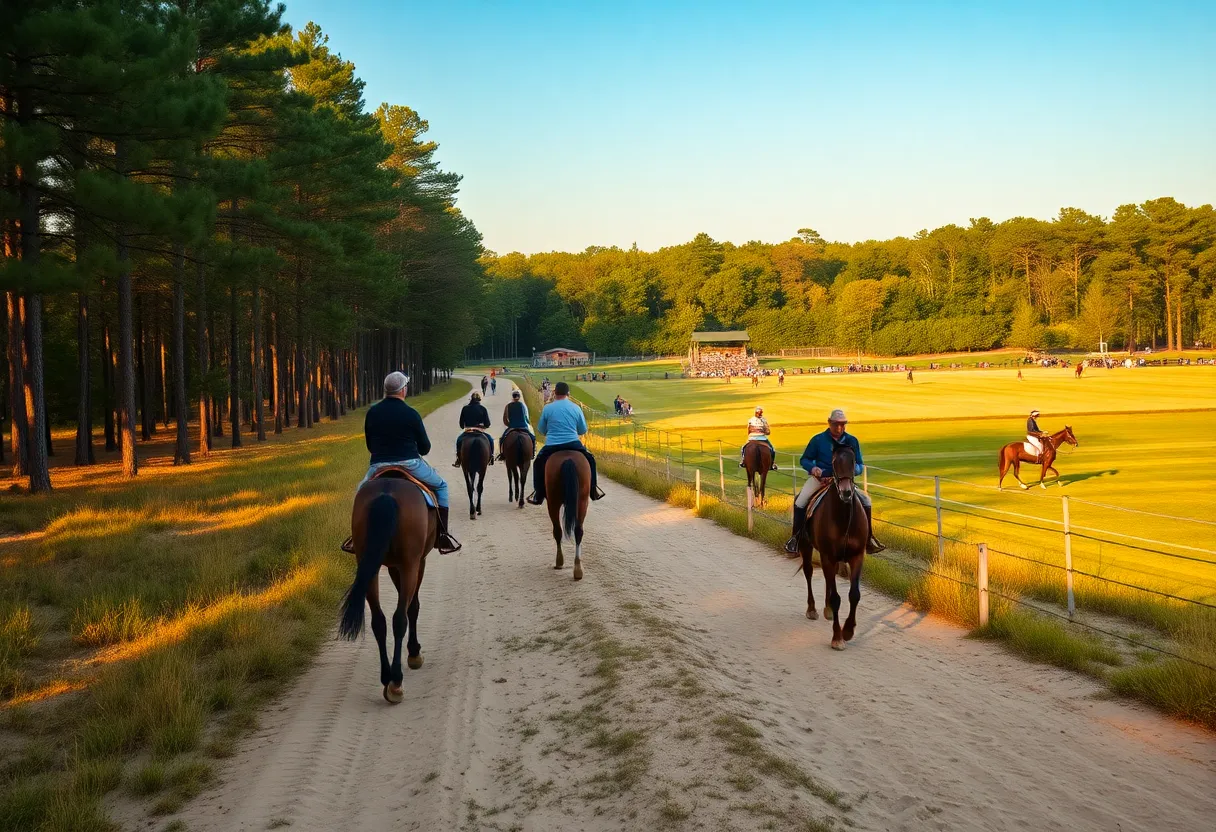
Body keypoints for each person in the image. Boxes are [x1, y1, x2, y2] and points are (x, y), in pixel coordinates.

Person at [346, 371, 460, 554]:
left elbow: (370, 445)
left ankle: (355, 538)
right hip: (410, 464)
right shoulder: (411, 414)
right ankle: (442, 536)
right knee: (442, 486)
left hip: (379, 465)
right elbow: (425, 448)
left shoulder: (372, 413)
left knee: (360, 492)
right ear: (403, 390)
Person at [785, 409, 883, 556]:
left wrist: (851, 472)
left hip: (844, 481)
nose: (839, 428)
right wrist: (813, 468)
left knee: (866, 501)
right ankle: (796, 539)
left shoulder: (852, 441)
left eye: (843, 424)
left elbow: (860, 465)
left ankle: (868, 539)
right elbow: (804, 459)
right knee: (800, 501)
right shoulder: (818, 440)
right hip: (821, 480)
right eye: (836, 424)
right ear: (829, 423)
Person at [526, 381, 605, 505]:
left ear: (555, 393)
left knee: (538, 462)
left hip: (552, 445)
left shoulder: (548, 408)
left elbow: (541, 430)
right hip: (573, 443)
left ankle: (538, 493)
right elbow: (582, 430)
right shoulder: (576, 407)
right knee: (590, 459)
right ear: (568, 393)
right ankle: (593, 489)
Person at [454, 391, 494, 466]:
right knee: (491, 440)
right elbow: (487, 424)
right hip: (479, 431)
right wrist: (483, 426)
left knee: (459, 440)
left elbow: (461, 425)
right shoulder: (483, 409)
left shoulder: (465, 408)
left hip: (468, 431)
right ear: (479, 400)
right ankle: (491, 457)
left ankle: (458, 459)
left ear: (471, 399)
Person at [497, 389, 536, 459]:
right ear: (519, 397)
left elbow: (505, 419)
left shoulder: (508, 406)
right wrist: (528, 423)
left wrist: (509, 425)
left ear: (512, 397)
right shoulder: (523, 406)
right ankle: (532, 453)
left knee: (502, 439)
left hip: (512, 426)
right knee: (532, 438)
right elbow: (526, 418)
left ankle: (502, 454)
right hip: (523, 426)